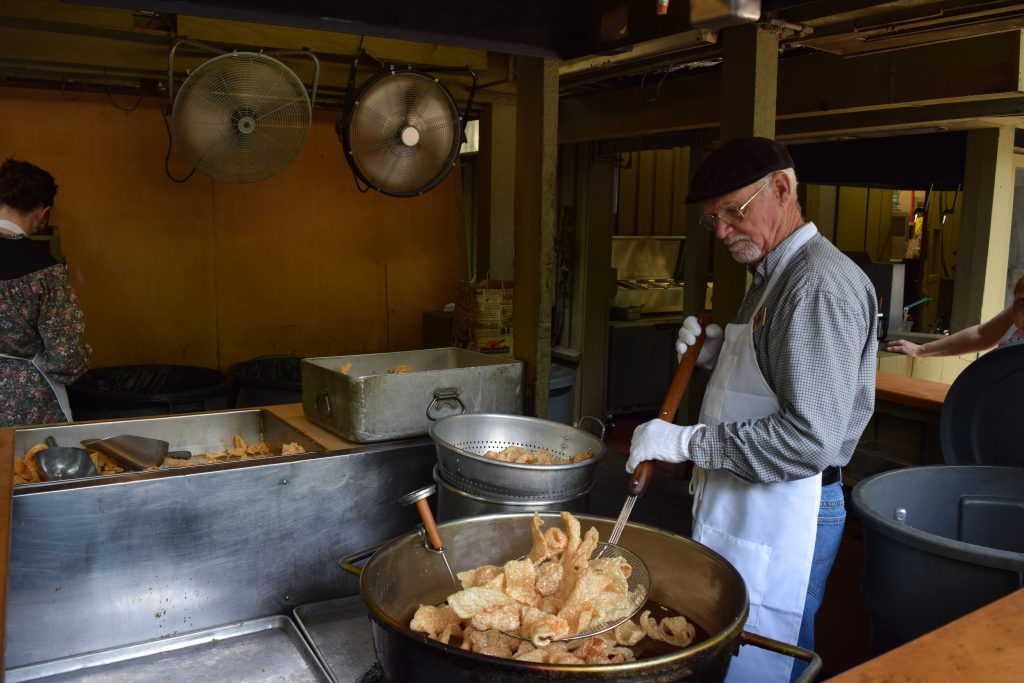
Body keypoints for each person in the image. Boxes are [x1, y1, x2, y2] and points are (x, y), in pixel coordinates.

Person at [625, 137, 877, 683]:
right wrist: (718, 356)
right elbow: (775, 386)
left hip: (791, 506)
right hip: (746, 500)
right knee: (728, 645)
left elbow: (809, 440)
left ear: (782, 189)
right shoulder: (773, 273)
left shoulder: (815, 285)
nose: (720, 231)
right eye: (710, 219)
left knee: (769, 655)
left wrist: (686, 443)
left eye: (732, 212)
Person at [0, 157, 91, 427]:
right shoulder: (45, 270)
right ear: (42, 211)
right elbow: (66, 355)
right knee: (25, 467)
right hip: (23, 399)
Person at [885, 272, 1024, 356]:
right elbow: (981, 335)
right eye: (1019, 300)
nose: (1018, 308)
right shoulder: (1015, 310)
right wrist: (920, 349)